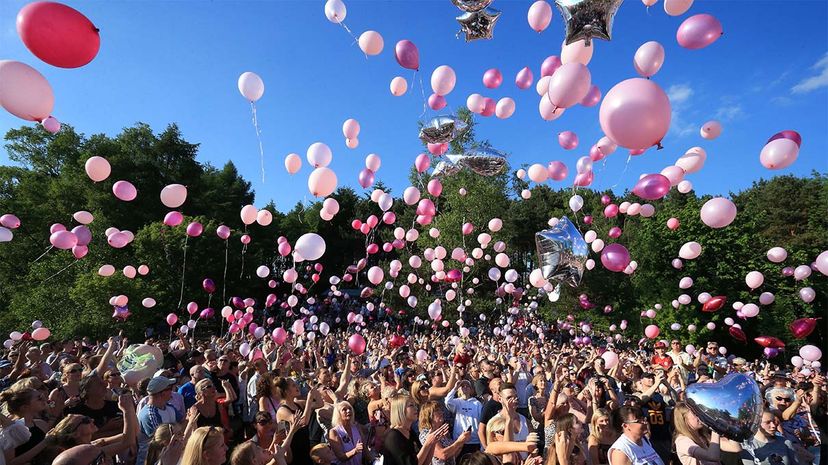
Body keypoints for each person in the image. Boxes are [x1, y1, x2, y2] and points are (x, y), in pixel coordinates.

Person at [383, 394, 448, 465]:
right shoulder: (393, 437)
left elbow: (425, 462)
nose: (416, 408)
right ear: (400, 410)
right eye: (411, 405)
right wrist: (428, 443)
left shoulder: (410, 432)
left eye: (415, 405)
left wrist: (433, 443)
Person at [137, 376, 185, 465]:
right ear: (162, 393)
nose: (172, 391)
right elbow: (164, 440)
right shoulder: (149, 414)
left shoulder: (169, 407)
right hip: (153, 460)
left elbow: (182, 422)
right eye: (170, 388)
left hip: (169, 457)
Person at [0, 388, 51, 465]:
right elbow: (10, 463)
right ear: (25, 407)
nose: (44, 399)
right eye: (39, 398)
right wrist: (45, 442)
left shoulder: (41, 424)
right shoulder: (11, 431)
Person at [419, 400, 471, 465]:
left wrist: (462, 442)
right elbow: (442, 455)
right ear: (429, 415)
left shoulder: (444, 432)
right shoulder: (426, 433)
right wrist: (459, 441)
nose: (441, 412)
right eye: (437, 410)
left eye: (441, 410)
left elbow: (452, 455)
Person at [445, 379, 483, 459]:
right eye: (462, 386)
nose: (465, 387)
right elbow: (447, 401)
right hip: (459, 440)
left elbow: (481, 421)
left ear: (471, 389)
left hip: (474, 440)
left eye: (467, 386)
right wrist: (455, 388)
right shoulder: (457, 402)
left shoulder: (477, 403)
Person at [328, 401, 364, 465]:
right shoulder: (334, 432)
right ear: (338, 414)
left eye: (350, 408)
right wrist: (355, 450)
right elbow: (340, 457)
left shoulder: (356, 427)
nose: (348, 411)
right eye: (344, 409)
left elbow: (365, 449)